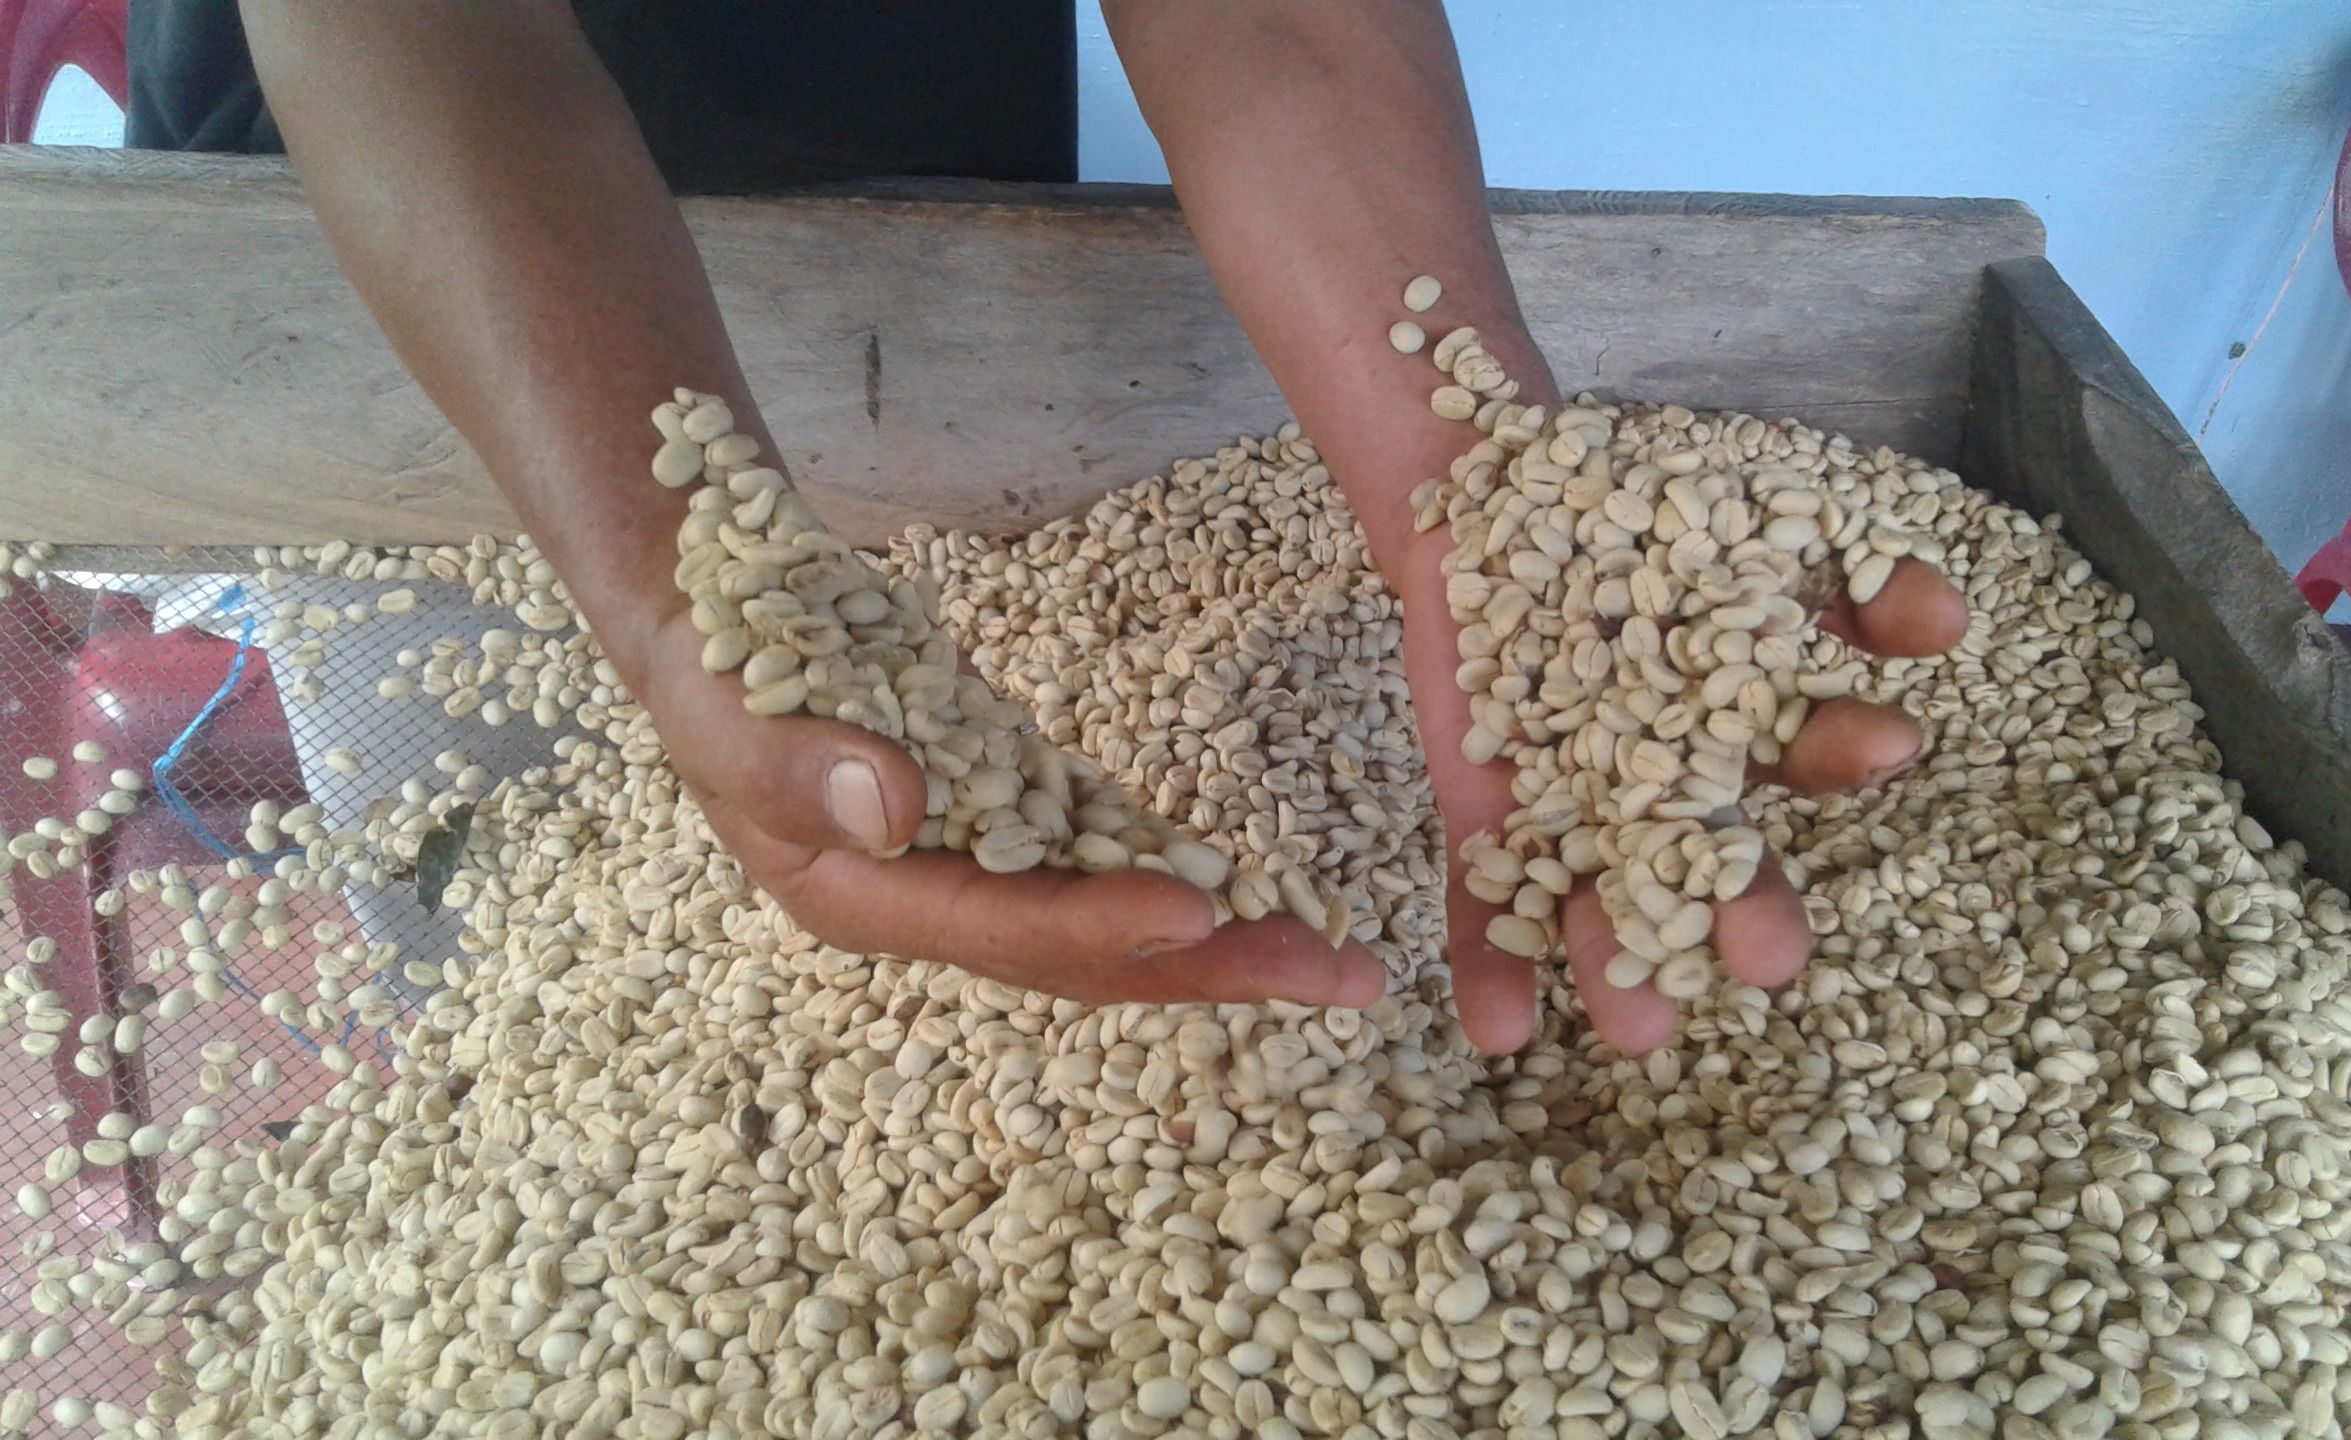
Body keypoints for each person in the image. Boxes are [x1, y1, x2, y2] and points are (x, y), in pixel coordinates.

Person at [182, 1, 1968, 1057]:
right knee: (466, 920)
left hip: (910, 147)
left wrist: (1486, 483)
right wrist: (678, 587)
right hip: (417, 258)